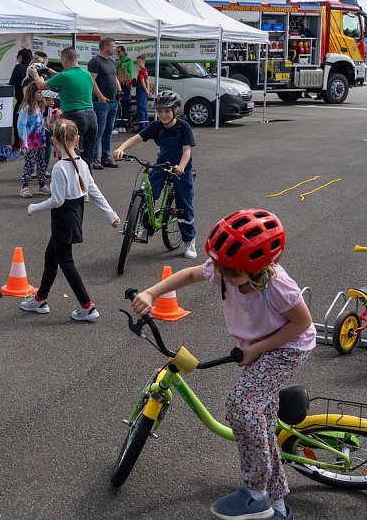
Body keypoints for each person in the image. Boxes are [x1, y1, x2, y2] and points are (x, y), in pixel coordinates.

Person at [128, 209, 315, 520]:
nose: (220, 275)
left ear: (256, 269)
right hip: (259, 344)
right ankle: (278, 506)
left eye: (229, 273)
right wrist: (151, 293)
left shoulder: (278, 286)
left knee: (242, 405)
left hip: (287, 347)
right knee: (262, 426)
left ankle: (256, 493)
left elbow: (301, 324)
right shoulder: (227, 269)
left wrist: (256, 349)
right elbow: (190, 274)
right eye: (219, 268)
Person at [21, 119, 120, 321]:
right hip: (74, 215)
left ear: (54, 141)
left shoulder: (59, 168)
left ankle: (87, 306)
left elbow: (57, 201)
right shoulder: (82, 163)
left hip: (63, 219)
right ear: (77, 139)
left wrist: (34, 207)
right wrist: (111, 214)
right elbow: (94, 191)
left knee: (66, 263)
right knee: (51, 257)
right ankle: (40, 298)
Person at [113, 91, 198, 259]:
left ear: (176, 110)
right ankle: (145, 226)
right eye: (160, 111)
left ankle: (189, 240)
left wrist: (181, 167)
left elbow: (187, 151)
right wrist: (121, 148)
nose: (163, 115)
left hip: (181, 168)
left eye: (167, 111)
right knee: (146, 193)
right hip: (162, 164)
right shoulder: (156, 126)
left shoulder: (183, 127)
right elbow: (136, 138)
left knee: (184, 204)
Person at [28, 47, 98, 170]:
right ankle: (86, 180)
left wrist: (34, 73)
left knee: (71, 153)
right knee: (87, 155)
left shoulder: (64, 76)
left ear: (64, 59)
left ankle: (73, 180)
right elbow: (65, 77)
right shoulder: (86, 74)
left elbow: (41, 85)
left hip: (75, 116)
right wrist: (49, 70)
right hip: (91, 116)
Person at [88, 37, 121, 170]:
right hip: (101, 103)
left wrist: (119, 90)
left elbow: (115, 77)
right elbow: (91, 80)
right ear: (105, 47)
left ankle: (106, 157)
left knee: (108, 131)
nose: (114, 49)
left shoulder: (111, 61)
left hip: (113, 101)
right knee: (99, 131)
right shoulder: (95, 61)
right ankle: (94, 158)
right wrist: (100, 96)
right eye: (113, 46)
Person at [17, 81, 49, 198]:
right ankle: (24, 187)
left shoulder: (38, 106)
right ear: (32, 93)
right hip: (30, 142)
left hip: (40, 140)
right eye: (39, 92)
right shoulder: (26, 108)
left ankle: (42, 185)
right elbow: (21, 126)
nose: (41, 95)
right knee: (29, 164)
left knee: (41, 163)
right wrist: (23, 144)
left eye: (41, 92)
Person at [9, 49, 33, 149]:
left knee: (17, 121)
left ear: (21, 57)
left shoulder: (18, 67)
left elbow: (12, 82)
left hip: (21, 99)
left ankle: (18, 143)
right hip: (31, 99)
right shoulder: (31, 68)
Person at [115, 45, 135, 133]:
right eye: (117, 52)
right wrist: (118, 65)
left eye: (119, 52)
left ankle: (124, 125)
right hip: (118, 85)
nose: (117, 53)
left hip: (126, 85)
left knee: (125, 104)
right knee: (119, 105)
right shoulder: (117, 61)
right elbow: (114, 72)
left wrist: (126, 79)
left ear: (123, 51)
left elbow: (131, 73)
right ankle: (119, 125)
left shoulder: (129, 60)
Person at [135, 55, 150, 130]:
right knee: (144, 107)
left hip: (141, 89)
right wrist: (148, 90)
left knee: (140, 107)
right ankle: (146, 124)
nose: (138, 63)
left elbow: (142, 81)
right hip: (144, 90)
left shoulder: (141, 71)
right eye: (137, 61)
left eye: (139, 61)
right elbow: (147, 81)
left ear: (143, 61)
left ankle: (141, 126)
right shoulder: (145, 70)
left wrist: (146, 91)